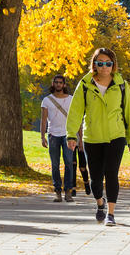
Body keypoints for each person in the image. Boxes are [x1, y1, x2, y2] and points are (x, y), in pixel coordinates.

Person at [67, 48, 130, 227]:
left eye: (108, 63)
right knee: (96, 179)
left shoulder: (121, 84)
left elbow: (129, 111)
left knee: (111, 174)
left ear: (113, 65)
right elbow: (75, 111)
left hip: (116, 136)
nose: (104, 67)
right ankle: (100, 203)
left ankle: (111, 214)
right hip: (93, 137)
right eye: (100, 63)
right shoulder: (85, 84)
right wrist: (71, 135)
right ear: (94, 65)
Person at [40, 74, 77, 202]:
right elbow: (43, 119)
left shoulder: (71, 99)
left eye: (60, 82)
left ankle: (68, 191)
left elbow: (75, 119)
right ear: (53, 84)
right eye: (56, 82)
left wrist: (79, 137)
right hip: (53, 135)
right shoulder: (46, 100)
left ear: (64, 85)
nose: (58, 84)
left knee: (68, 163)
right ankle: (57, 191)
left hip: (68, 136)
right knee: (55, 164)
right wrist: (42, 136)